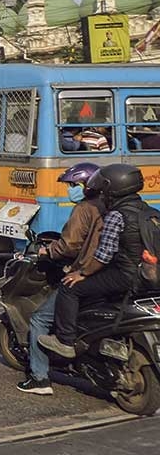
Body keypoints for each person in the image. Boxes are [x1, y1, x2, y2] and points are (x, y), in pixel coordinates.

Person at [41, 164, 147, 359]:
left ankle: (65, 341)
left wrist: (81, 273)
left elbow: (103, 255)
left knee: (69, 287)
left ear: (113, 189)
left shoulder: (117, 215)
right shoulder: (148, 212)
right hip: (147, 274)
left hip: (125, 275)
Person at [18, 163, 104, 394]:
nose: (69, 190)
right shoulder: (108, 206)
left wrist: (47, 251)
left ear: (86, 185)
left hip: (86, 273)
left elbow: (70, 244)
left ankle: (39, 379)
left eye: (73, 185)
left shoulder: (84, 209)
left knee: (39, 319)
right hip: (108, 275)